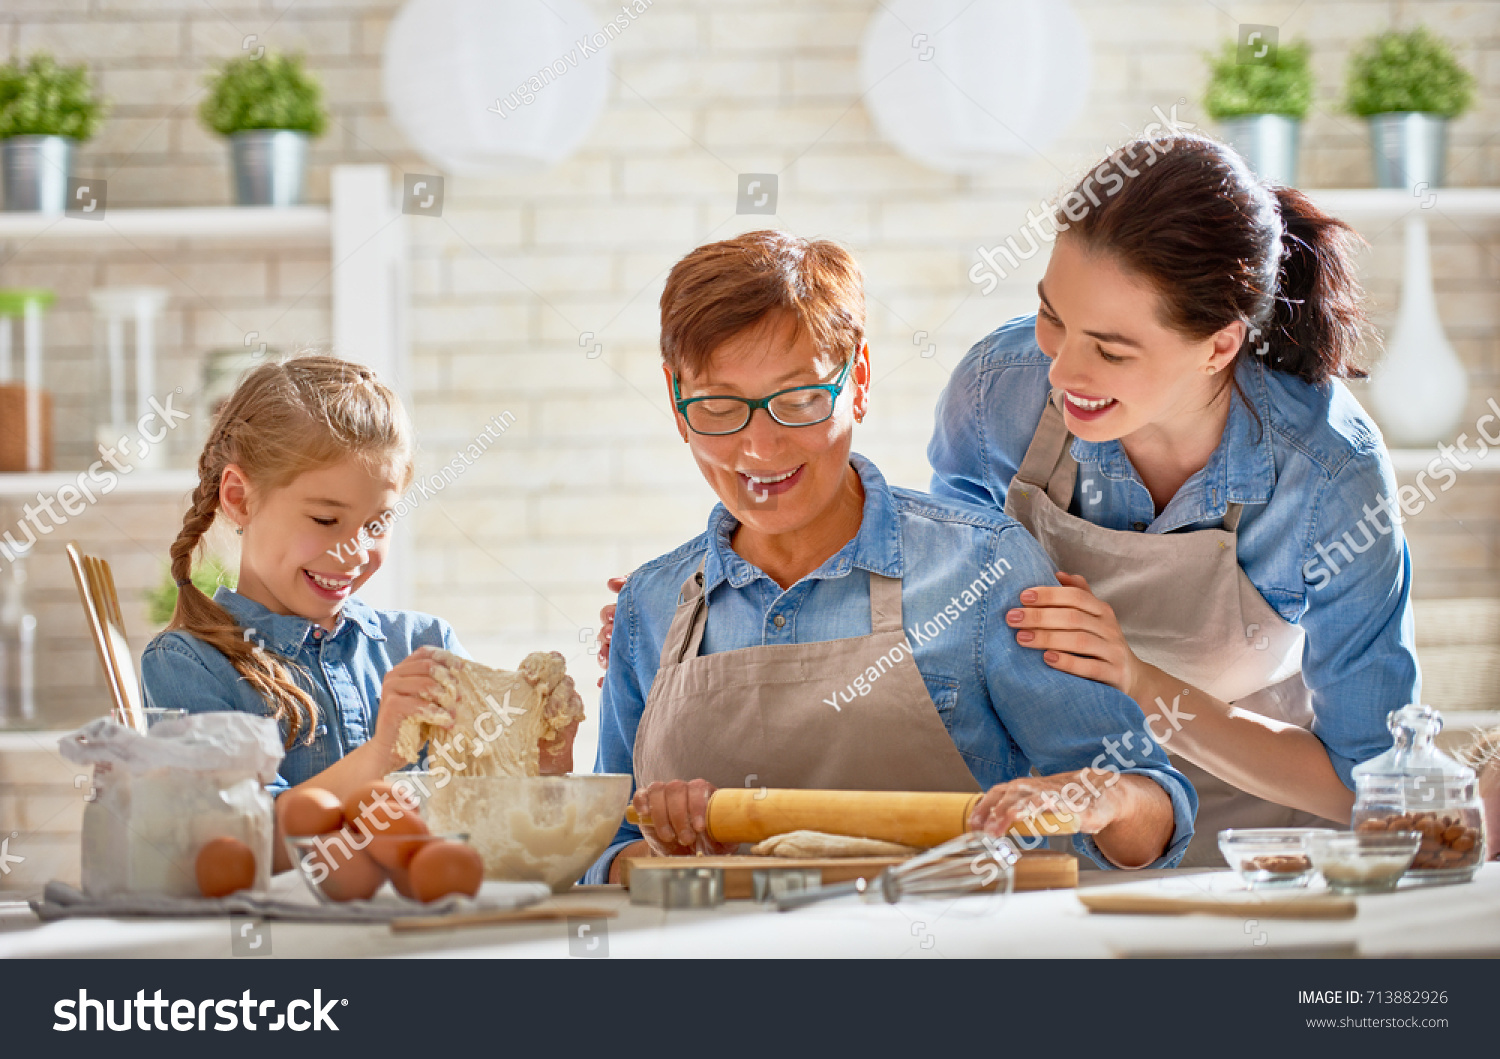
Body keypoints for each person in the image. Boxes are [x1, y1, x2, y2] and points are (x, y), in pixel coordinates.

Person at [584, 231, 1196, 885]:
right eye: (718, 406)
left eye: (798, 400)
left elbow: (1151, 820)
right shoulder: (650, 606)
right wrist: (657, 851)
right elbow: (604, 850)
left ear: (861, 379)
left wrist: (1102, 798)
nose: (758, 448)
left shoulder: (982, 570)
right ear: (677, 403)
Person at [929, 134, 1419, 864]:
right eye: (1052, 315)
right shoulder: (997, 387)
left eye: (1111, 349)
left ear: (1219, 345)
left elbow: (1373, 789)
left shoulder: (1328, 473)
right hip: (1051, 818)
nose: (1062, 369)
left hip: (1258, 845)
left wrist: (1136, 677)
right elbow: (948, 620)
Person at [141, 353, 575, 871]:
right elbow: (232, 846)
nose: (353, 551)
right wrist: (382, 753)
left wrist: (540, 764)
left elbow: (493, 829)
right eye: (326, 519)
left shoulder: (422, 644)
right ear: (239, 498)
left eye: (377, 524)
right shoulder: (187, 665)